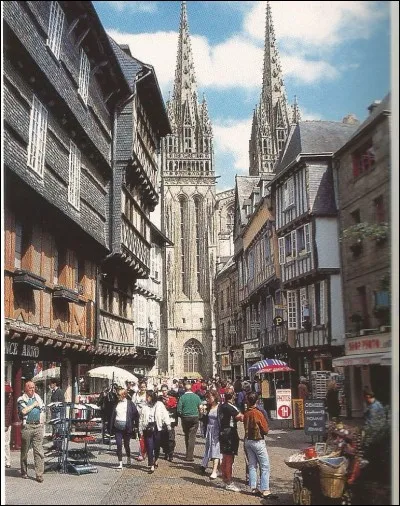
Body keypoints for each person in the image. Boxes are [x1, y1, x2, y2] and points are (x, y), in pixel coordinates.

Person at [243, 392, 277, 499]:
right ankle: (265, 489)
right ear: (257, 401)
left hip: (248, 440)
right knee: (265, 465)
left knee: (252, 465)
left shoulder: (246, 413)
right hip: (258, 440)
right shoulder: (257, 413)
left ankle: (253, 487)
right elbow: (265, 430)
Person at [17, 381, 45, 482]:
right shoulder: (21, 399)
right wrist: (33, 405)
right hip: (27, 426)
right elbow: (24, 411)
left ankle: (39, 474)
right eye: (30, 388)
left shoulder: (38, 398)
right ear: (26, 389)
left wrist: (42, 422)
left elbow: (43, 409)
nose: (32, 389)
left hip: (37, 426)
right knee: (25, 451)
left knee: (39, 451)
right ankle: (24, 471)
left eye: (33, 387)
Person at [139, 390, 171, 473]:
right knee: (149, 446)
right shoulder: (144, 406)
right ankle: (151, 465)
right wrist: (140, 429)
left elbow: (165, 414)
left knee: (156, 446)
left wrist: (168, 424)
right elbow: (141, 418)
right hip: (148, 427)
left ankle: (156, 459)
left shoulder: (159, 404)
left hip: (157, 427)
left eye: (147, 396)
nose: (146, 398)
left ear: (151, 397)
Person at [217, 390, 243, 492]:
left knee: (224, 457)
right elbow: (240, 416)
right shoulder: (230, 406)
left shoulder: (222, 406)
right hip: (230, 434)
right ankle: (229, 481)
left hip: (223, 432)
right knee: (229, 459)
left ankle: (224, 479)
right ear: (233, 396)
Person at [110, 388, 139, 469]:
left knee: (126, 445)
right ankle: (120, 463)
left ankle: (129, 458)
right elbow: (112, 415)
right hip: (117, 427)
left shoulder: (130, 403)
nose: (117, 396)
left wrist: (135, 425)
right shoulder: (116, 403)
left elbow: (136, 414)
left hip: (127, 427)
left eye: (119, 395)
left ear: (124, 395)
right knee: (119, 445)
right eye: (117, 394)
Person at [177, 381, 202, 462]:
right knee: (192, 437)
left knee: (187, 435)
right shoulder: (197, 397)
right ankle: (189, 456)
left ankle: (188, 453)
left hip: (185, 418)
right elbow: (201, 408)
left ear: (184, 389)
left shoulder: (182, 397)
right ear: (191, 388)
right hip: (194, 417)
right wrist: (200, 416)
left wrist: (182, 416)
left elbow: (179, 410)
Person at [200, 390, 221, 479]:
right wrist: (202, 413)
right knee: (209, 447)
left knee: (215, 449)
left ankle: (214, 471)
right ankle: (219, 469)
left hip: (216, 430)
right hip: (209, 430)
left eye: (209, 397)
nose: (208, 399)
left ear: (215, 397)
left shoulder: (219, 407)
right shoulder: (208, 407)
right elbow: (203, 419)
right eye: (207, 397)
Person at [160, 385, 178, 462]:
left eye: (165, 390)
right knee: (163, 438)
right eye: (163, 390)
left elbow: (175, 409)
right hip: (162, 421)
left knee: (171, 438)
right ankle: (166, 452)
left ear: (167, 390)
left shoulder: (173, 399)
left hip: (171, 421)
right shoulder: (159, 399)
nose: (164, 392)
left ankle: (171, 454)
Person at [133, 380, 148, 461]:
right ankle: (141, 453)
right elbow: (132, 406)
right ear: (139, 387)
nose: (143, 388)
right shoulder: (135, 395)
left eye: (144, 387)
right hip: (138, 418)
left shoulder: (148, 395)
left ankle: (146, 451)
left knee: (147, 435)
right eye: (141, 387)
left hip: (147, 417)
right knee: (141, 435)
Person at [49, 379, 65, 450]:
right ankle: (55, 444)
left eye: (51, 384)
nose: (50, 385)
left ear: (55, 384)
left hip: (58, 412)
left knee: (58, 428)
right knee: (54, 428)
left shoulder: (59, 391)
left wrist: (56, 405)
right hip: (54, 412)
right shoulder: (53, 391)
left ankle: (59, 445)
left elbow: (62, 403)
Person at [5, 382, 13, 468]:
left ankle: (7, 460)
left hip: (6, 423)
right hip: (6, 423)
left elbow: (8, 412)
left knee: (5, 443)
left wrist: (6, 424)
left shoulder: (8, 399)